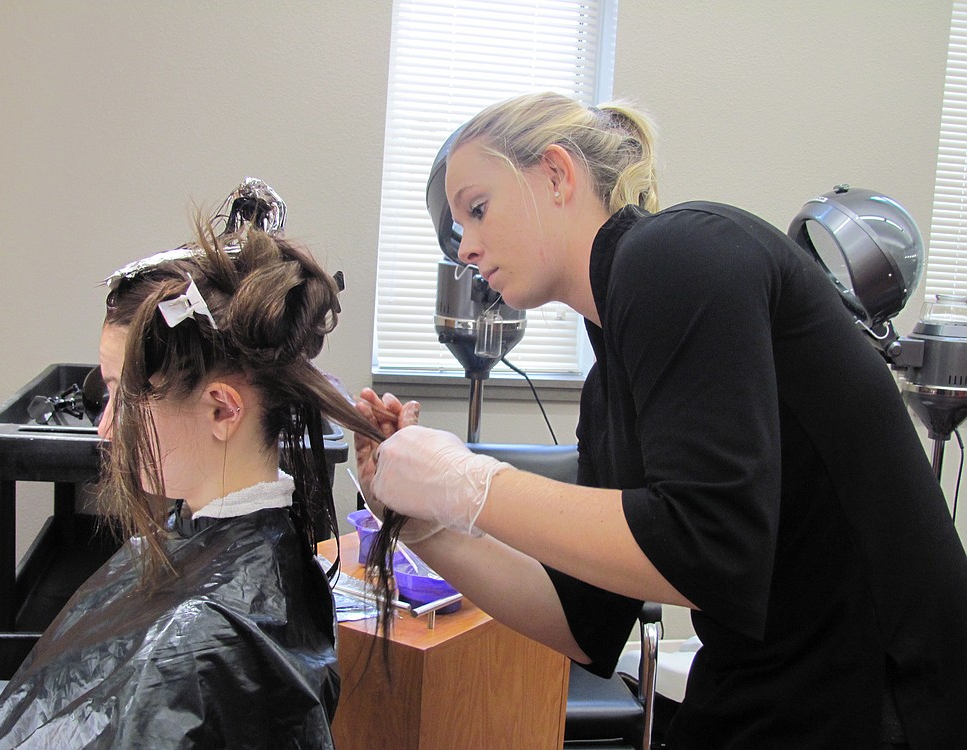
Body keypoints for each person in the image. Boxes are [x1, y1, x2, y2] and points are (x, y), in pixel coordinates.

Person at [355, 92, 967, 749]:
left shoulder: (679, 253)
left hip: (879, 693)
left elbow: (712, 546)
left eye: (478, 208)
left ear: (557, 174)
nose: (466, 248)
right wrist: (426, 522)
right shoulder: (610, 383)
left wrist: (464, 481)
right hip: (763, 677)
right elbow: (582, 622)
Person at [0, 192, 384, 749]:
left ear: (222, 409)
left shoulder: (209, 633)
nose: (106, 429)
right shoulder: (225, 559)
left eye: (124, 398)